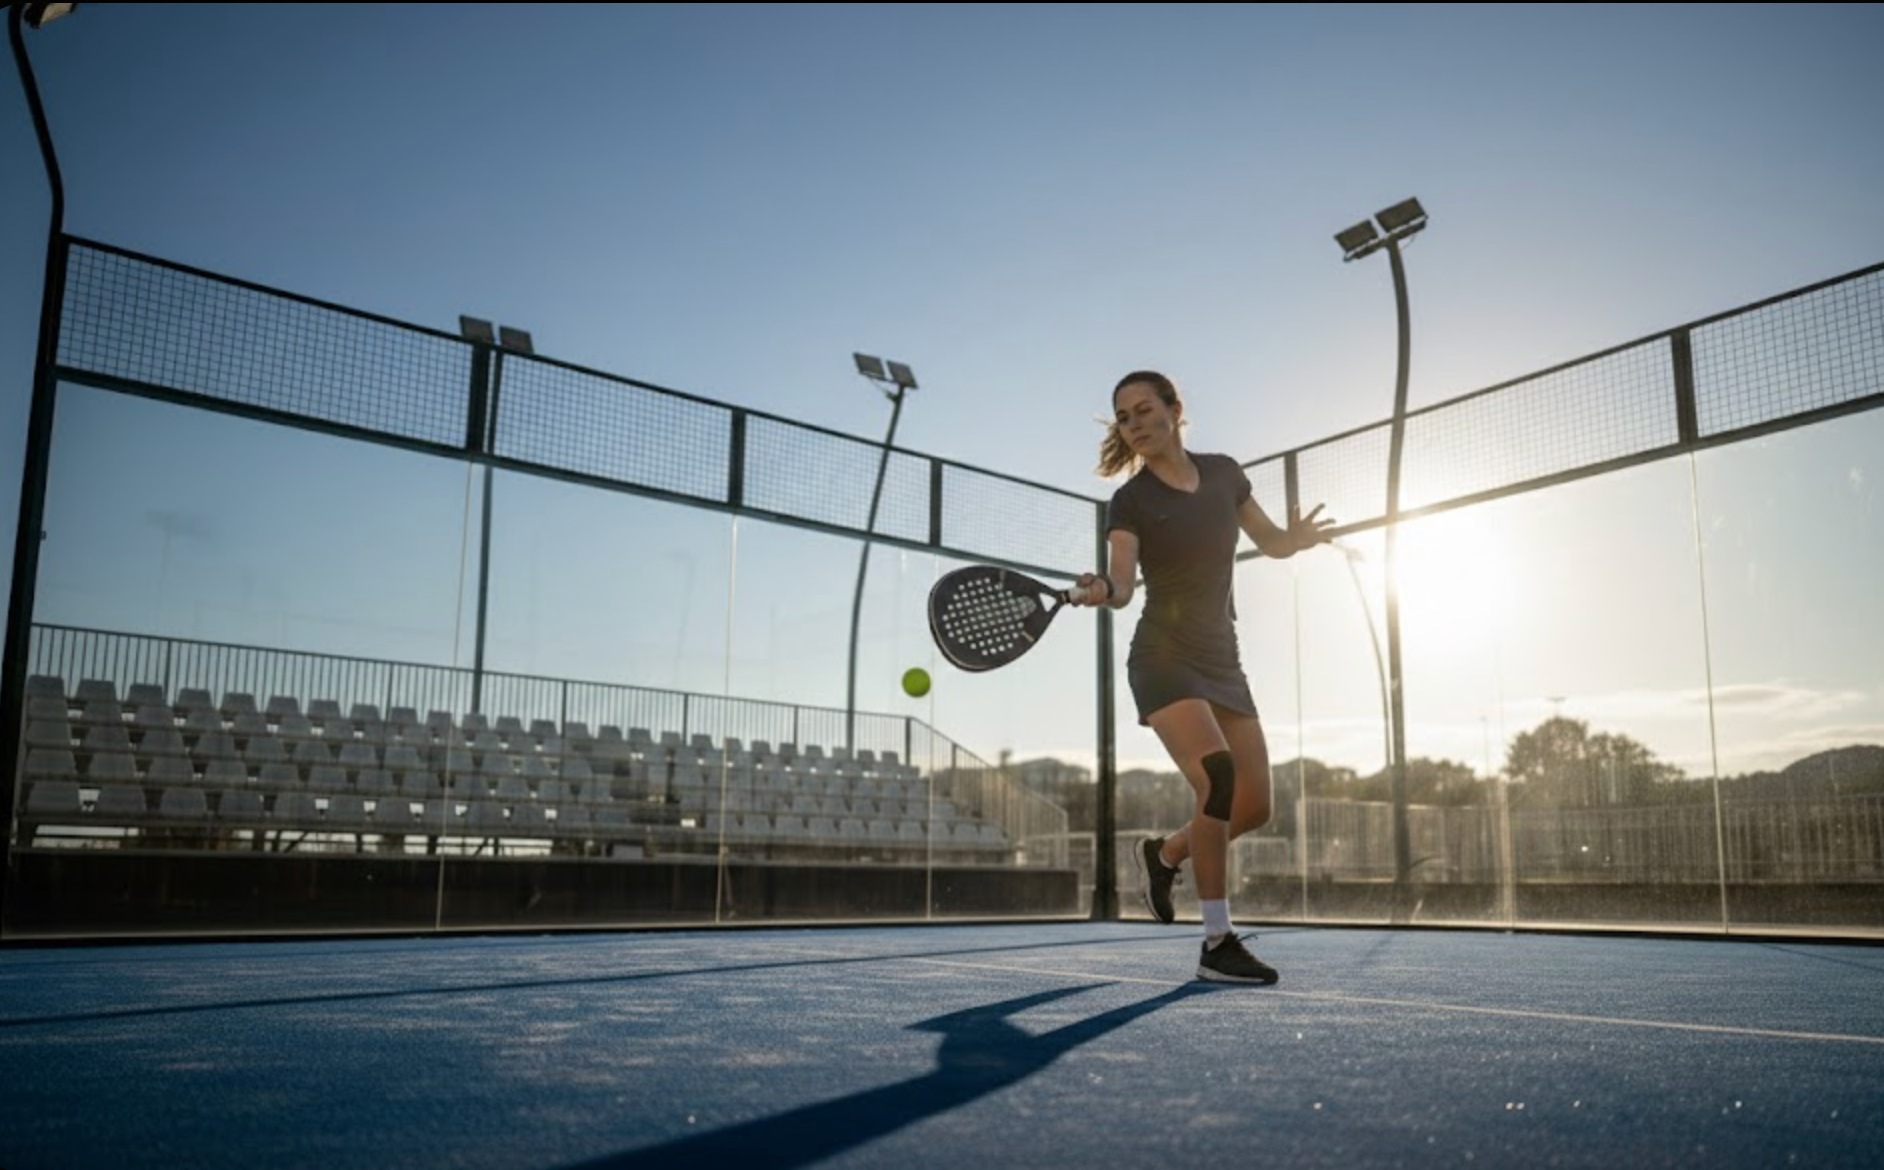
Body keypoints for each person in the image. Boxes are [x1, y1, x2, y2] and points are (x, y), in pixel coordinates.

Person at [1070, 370, 1332, 984]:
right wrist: (1099, 589)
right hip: (1162, 656)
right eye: (1124, 417)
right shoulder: (1129, 501)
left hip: (1222, 658)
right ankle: (1217, 942)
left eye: (1143, 410)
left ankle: (1163, 856)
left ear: (1174, 410)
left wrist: (1295, 539)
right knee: (1217, 774)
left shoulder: (1224, 473)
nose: (1134, 424)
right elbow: (1125, 584)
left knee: (1255, 806)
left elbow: (1268, 542)